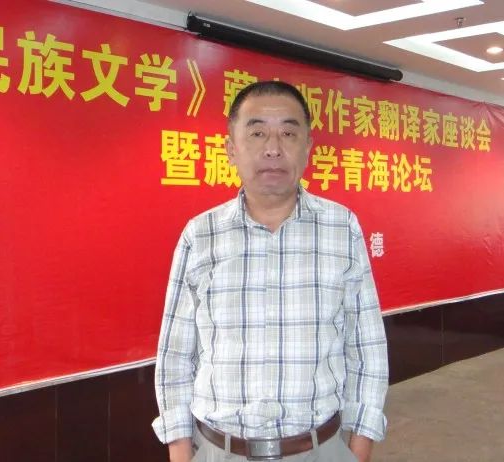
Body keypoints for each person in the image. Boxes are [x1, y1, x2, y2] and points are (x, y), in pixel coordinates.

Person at [152, 81, 388, 462]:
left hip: (321, 450)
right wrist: (181, 453)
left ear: (308, 148)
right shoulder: (200, 235)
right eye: (257, 132)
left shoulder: (342, 228)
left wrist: (357, 450)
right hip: (219, 451)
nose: (273, 148)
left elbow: (367, 349)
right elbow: (175, 356)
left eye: (289, 133)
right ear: (231, 149)